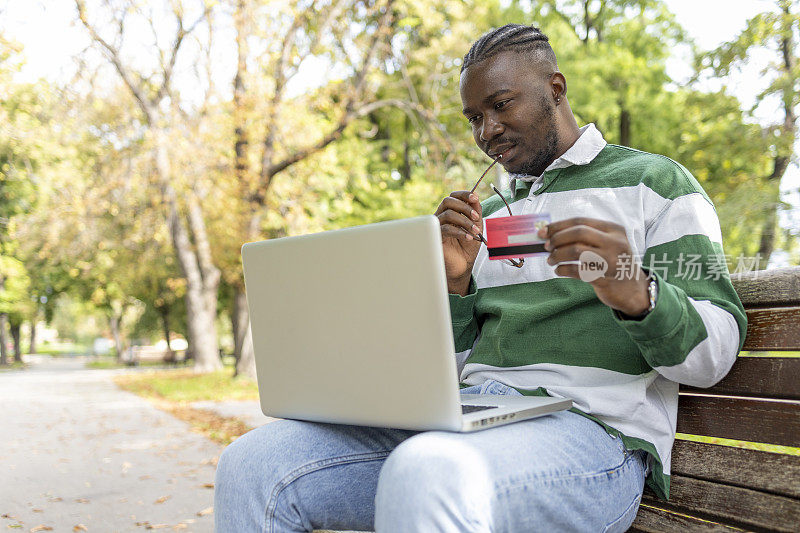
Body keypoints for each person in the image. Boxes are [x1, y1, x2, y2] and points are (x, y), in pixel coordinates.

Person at [214, 24, 747, 532]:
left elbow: (713, 354)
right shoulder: (484, 217)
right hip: (472, 421)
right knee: (253, 465)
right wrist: (454, 287)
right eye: (473, 117)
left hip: (592, 439)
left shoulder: (654, 185)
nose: (486, 131)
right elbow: (448, 373)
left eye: (500, 105)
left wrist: (635, 291)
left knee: (427, 470)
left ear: (554, 89)